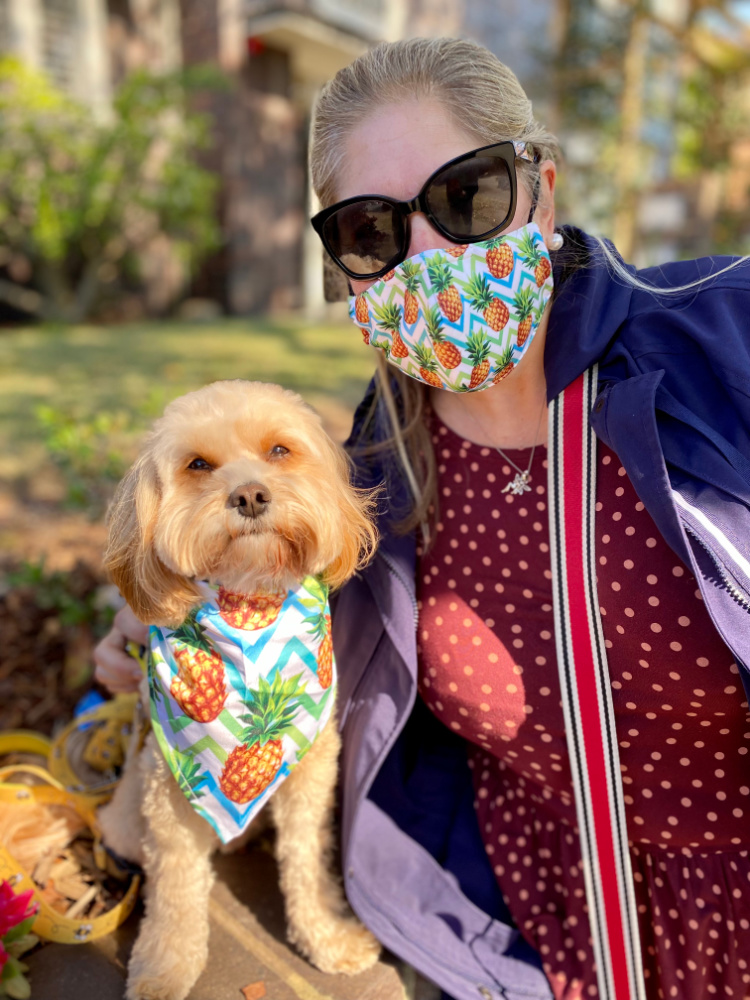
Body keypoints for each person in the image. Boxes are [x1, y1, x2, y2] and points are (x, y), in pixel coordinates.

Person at [95, 37, 750, 1000]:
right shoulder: (369, 469)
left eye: (467, 197)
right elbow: (296, 620)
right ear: (347, 265)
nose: (432, 254)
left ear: (542, 190)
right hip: (511, 914)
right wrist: (165, 610)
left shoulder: (722, 336)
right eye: (372, 229)